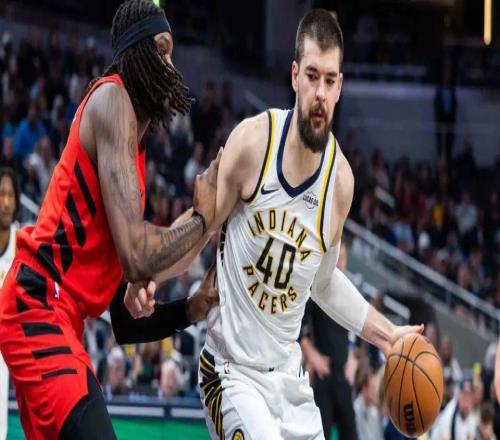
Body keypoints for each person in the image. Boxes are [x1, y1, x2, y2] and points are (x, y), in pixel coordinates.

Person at [126, 9, 423, 439]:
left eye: (330, 81)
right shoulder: (255, 142)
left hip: (289, 380)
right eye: (312, 76)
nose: (320, 93)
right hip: (231, 372)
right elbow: (199, 230)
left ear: (340, 87)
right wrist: (148, 274)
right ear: (295, 76)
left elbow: (323, 283)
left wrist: (389, 335)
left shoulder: (340, 182)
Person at [0, 1, 220, 439]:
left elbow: (123, 319)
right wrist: (203, 219)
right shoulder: (113, 100)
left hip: (61, 318)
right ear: (136, 52)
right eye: (162, 50)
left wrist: (189, 308)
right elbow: (140, 255)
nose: (171, 66)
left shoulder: (131, 147)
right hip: (38, 303)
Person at [300, 242, 358, 440]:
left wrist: (353, 358)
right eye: (338, 258)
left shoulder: (350, 292)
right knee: (321, 434)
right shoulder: (317, 289)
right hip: (323, 374)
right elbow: (299, 328)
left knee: (351, 435)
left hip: (343, 376)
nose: (341, 263)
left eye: (344, 259)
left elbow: (357, 333)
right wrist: (312, 356)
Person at [0, 167, 20, 440]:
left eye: (10, 195)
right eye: (0, 194)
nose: (5, 202)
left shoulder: (21, 242)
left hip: (10, 345)